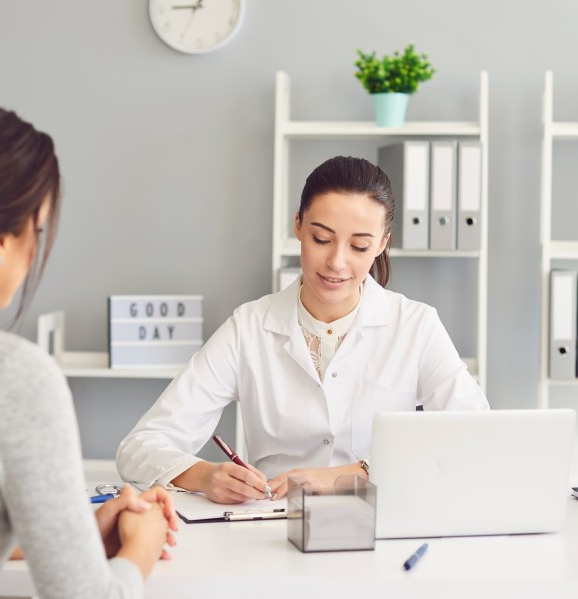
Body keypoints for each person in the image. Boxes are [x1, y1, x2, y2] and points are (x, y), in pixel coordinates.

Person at [0, 100, 178, 598]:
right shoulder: (7, 374)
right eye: (37, 228)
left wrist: (72, 534)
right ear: (0, 239)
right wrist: (143, 547)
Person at [117, 155, 489, 504]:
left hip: (382, 525)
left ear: (381, 245)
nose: (337, 262)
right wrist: (203, 475)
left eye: (359, 246)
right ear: (298, 225)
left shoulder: (416, 326)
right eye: (321, 239)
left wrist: (352, 473)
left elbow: (476, 437)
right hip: (272, 527)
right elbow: (140, 446)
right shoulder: (249, 328)